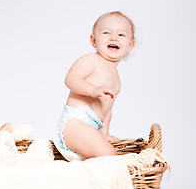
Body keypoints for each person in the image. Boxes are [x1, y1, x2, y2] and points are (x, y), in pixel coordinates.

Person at [54, 11, 135, 161]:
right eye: (106, 33)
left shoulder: (116, 78)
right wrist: (92, 90)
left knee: (107, 152)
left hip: (92, 127)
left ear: (130, 45)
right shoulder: (91, 60)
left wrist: (104, 133)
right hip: (75, 124)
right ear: (93, 40)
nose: (113, 38)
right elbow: (71, 79)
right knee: (109, 155)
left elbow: (107, 110)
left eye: (121, 35)